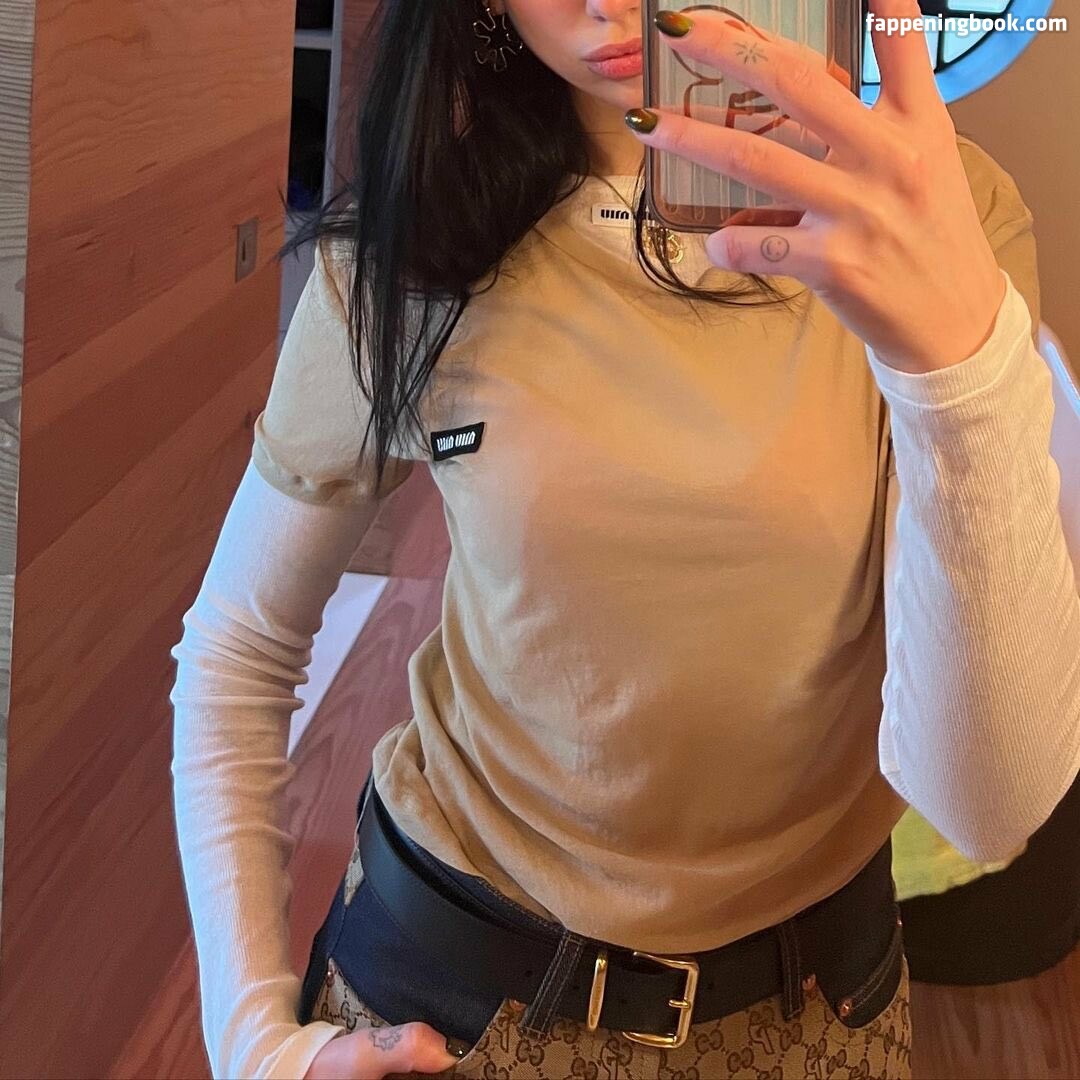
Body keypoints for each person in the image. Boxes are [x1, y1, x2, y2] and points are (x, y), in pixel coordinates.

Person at [168, 1, 1080, 1078]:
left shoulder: (940, 222)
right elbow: (241, 645)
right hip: (452, 997)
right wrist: (250, 1042)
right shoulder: (421, 231)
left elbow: (984, 806)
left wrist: (955, 379)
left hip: (818, 1010)